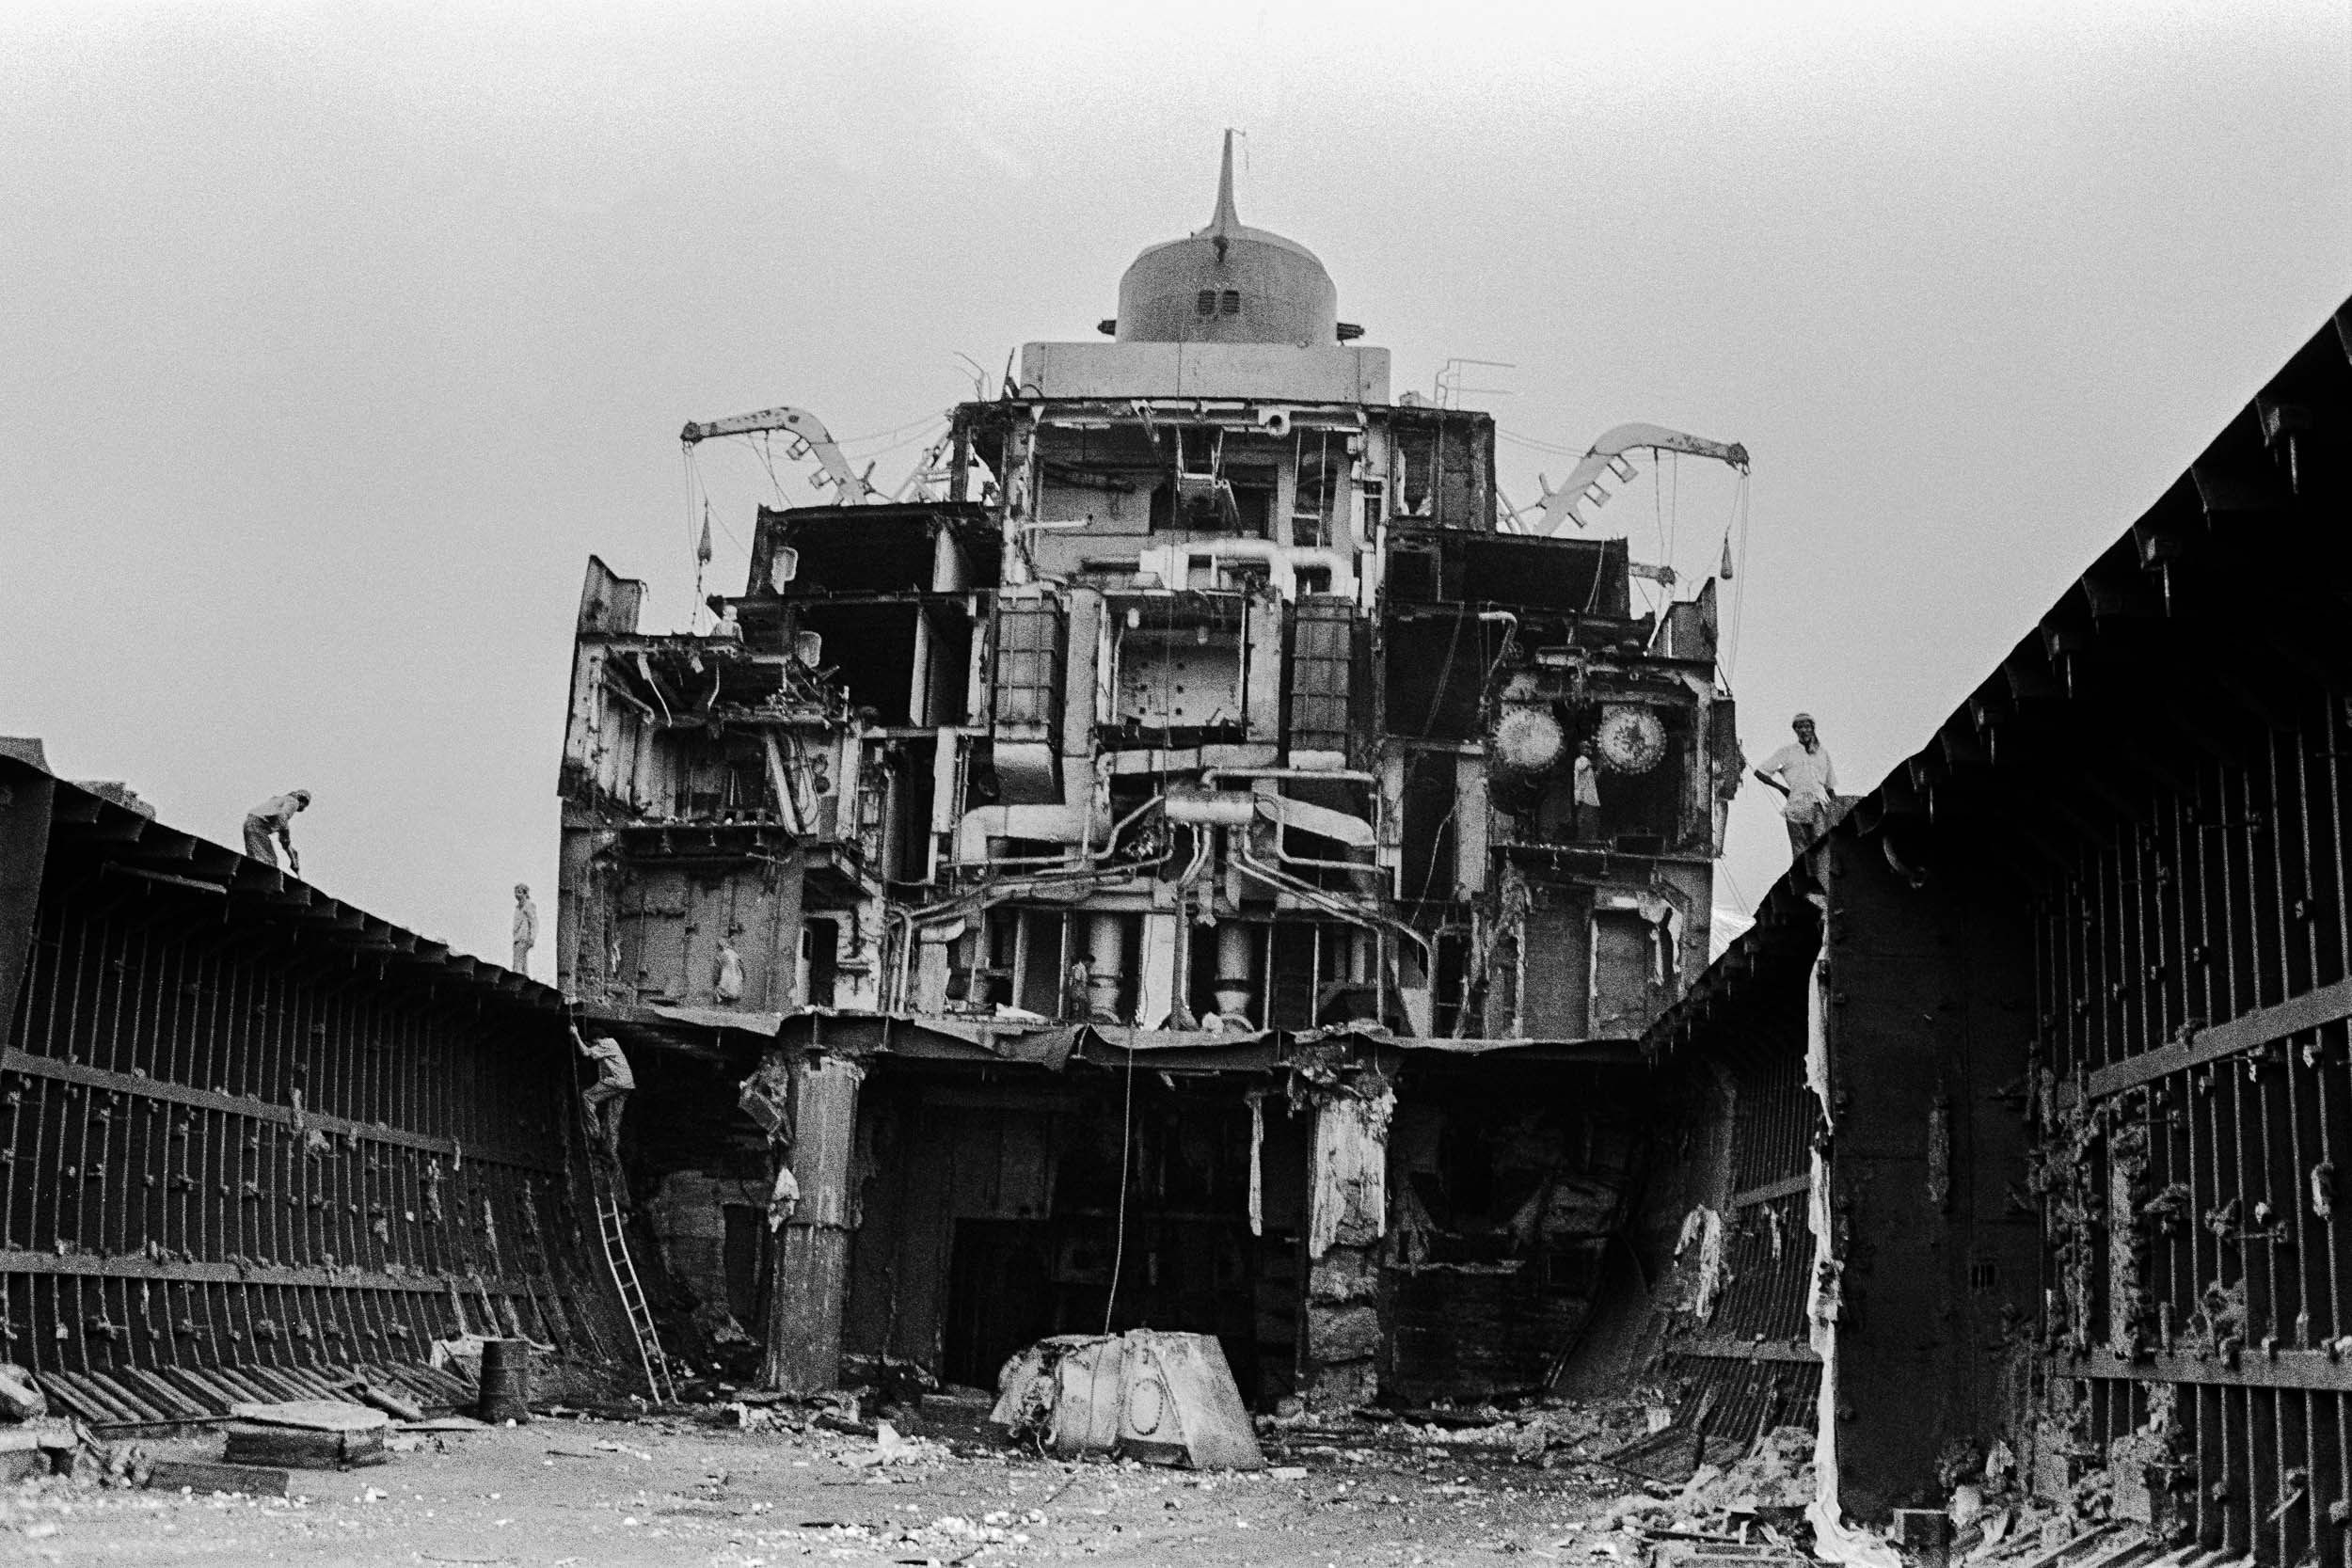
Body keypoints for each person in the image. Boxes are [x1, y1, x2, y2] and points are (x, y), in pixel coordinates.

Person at [1756, 713, 1837, 857]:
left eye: (1806, 726)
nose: (1804, 730)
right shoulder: (1787, 753)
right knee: (1800, 853)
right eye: (1800, 727)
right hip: (1796, 805)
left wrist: (1834, 809)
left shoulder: (1822, 754)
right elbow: (1760, 772)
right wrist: (1782, 789)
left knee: (1822, 849)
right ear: (1795, 730)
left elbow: (1829, 786)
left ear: (1812, 728)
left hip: (1819, 805)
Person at [571, 1022, 634, 1162]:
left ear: (597, 1038)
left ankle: (595, 1135)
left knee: (587, 1097)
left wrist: (575, 1035)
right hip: (627, 1084)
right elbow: (592, 1051)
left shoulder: (606, 1043)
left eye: (593, 1042)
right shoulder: (612, 1043)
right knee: (612, 1119)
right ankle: (610, 1153)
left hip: (617, 1081)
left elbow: (586, 1053)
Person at [243, 790, 311, 874]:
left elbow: (283, 838)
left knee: (255, 857)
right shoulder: (294, 802)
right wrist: (286, 838)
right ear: (303, 802)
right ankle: (261, 882)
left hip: (250, 824)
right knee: (269, 861)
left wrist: (292, 856)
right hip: (258, 826)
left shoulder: (280, 800)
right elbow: (282, 818)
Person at [1571, 741, 1602, 839]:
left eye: (1589, 748)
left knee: (1591, 820)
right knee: (1585, 819)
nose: (1588, 750)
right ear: (1580, 749)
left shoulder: (1587, 762)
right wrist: (1599, 768)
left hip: (1589, 795)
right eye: (1585, 747)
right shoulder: (1580, 761)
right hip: (1584, 795)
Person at [512, 884, 538, 974]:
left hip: (524, 937)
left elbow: (534, 922)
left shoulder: (528, 906)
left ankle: (518, 976)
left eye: (519, 892)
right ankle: (523, 977)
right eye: (516, 892)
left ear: (525, 893)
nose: (516, 895)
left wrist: (532, 937)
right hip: (517, 937)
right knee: (521, 962)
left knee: (518, 962)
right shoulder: (518, 907)